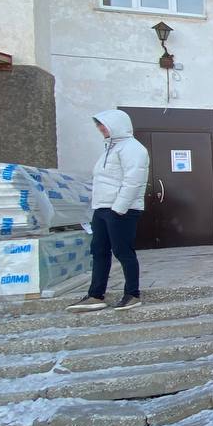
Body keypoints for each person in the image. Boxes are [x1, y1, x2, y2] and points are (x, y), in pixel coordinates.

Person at [66, 109, 150, 312]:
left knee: (123, 251)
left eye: (103, 124)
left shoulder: (133, 148)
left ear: (116, 124)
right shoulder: (110, 148)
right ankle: (95, 294)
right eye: (98, 125)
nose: (100, 128)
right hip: (103, 208)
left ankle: (132, 294)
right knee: (99, 251)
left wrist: (118, 209)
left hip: (122, 210)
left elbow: (133, 180)